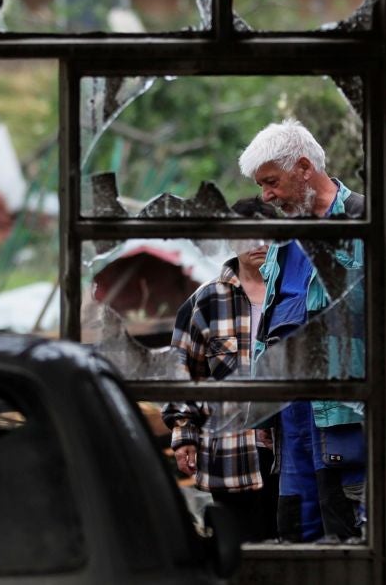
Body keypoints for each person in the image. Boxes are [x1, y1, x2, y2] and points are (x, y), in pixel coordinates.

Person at [238, 118, 366, 543]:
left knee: (344, 531)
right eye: (261, 186)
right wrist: (261, 404)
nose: (266, 196)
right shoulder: (282, 241)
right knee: (296, 534)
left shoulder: (363, 221)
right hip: (291, 423)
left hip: (343, 414)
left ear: (305, 167)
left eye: (271, 182)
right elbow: (270, 326)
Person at [164, 198, 280, 543]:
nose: (258, 243)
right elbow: (182, 372)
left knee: (293, 544)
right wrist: (184, 435)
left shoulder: (294, 291)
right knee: (237, 549)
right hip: (231, 453)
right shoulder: (207, 301)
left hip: (289, 449)